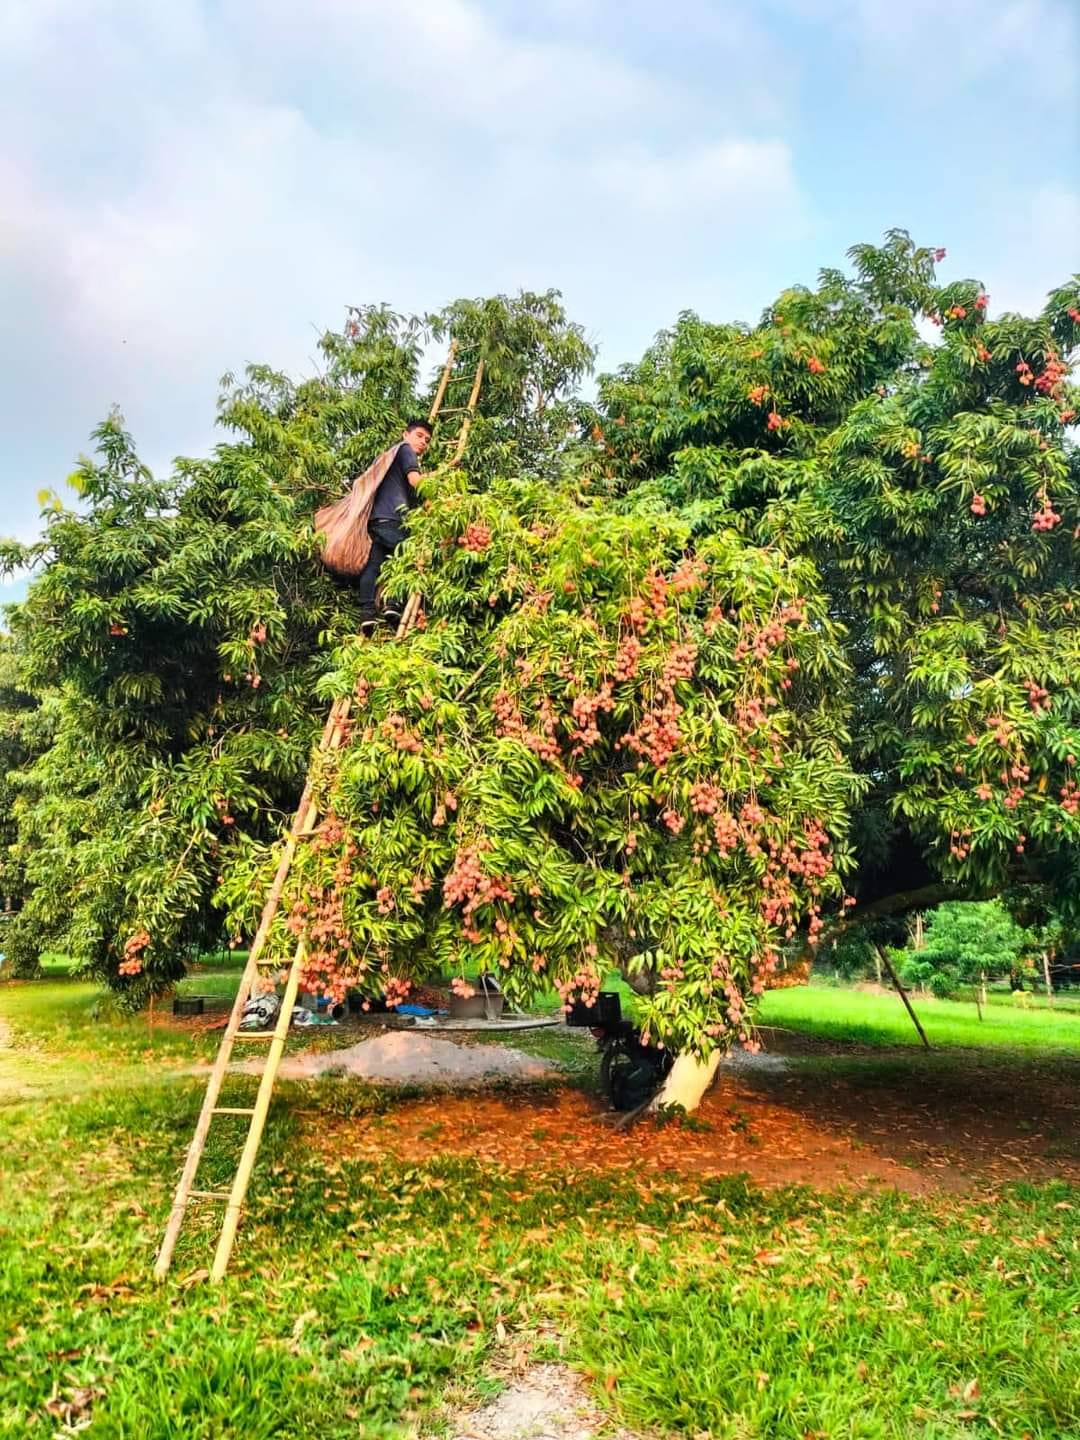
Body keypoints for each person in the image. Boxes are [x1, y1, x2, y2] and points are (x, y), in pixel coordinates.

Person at [355, 418, 433, 629]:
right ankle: (393, 604)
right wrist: (435, 491)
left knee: (374, 566)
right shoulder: (406, 450)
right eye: (419, 436)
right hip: (394, 519)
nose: (423, 442)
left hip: (377, 520)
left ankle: (367, 614)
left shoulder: (389, 456)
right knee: (406, 560)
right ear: (405, 434)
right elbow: (415, 481)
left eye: (427, 440)